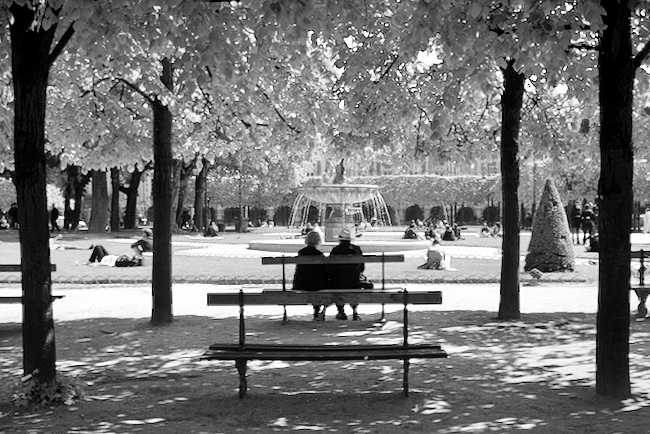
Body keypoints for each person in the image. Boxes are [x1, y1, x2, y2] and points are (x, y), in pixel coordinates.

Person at [293, 231, 331, 320]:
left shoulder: (301, 253)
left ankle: (317, 311)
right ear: (318, 241)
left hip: (301, 284)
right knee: (327, 284)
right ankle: (319, 310)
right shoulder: (319, 254)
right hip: (317, 285)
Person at [329, 228, 364, 320]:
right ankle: (355, 311)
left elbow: (330, 268)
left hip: (338, 283)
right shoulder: (357, 249)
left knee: (335, 283)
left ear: (340, 240)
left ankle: (341, 311)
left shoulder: (336, 250)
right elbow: (362, 268)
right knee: (356, 282)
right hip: (354, 283)